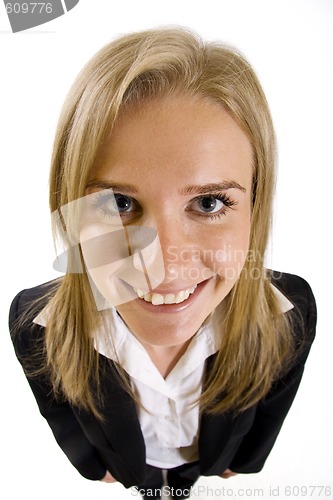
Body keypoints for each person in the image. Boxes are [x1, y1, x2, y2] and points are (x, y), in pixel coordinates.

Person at [9, 27, 316, 500]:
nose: (162, 263)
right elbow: (59, 412)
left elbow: (274, 402)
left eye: (210, 203)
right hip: (133, 464)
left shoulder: (292, 312)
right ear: (69, 214)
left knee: (184, 484)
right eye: (117, 203)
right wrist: (97, 468)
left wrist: (243, 462)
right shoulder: (36, 324)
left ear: (256, 208)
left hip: (204, 459)